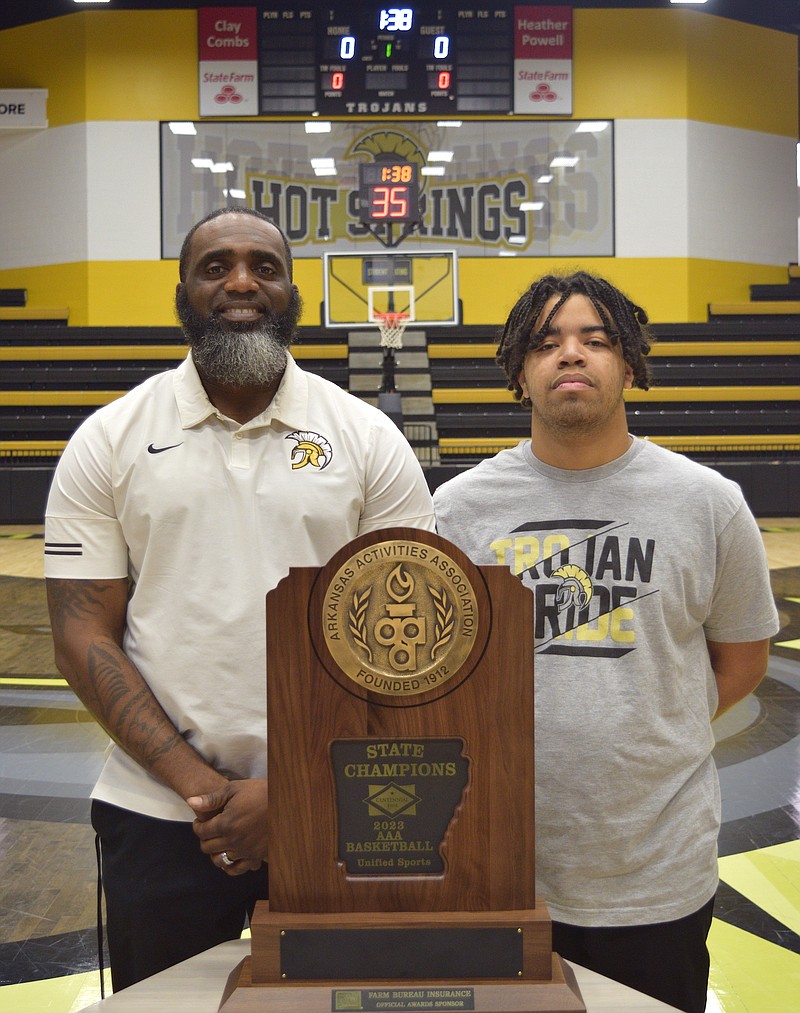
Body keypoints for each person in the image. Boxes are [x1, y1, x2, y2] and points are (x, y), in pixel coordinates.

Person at [44, 207, 435, 990]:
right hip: (161, 817)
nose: (241, 282)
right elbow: (83, 633)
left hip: (342, 803)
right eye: (215, 266)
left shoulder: (367, 438)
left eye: (264, 264)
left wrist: (292, 791)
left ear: (294, 292)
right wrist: (205, 788)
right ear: (183, 292)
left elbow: (414, 639)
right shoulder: (109, 438)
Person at [432, 271, 778, 1013]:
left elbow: (743, 660)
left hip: (654, 866)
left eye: (596, 339)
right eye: (547, 342)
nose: (572, 354)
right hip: (501, 867)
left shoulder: (708, 503)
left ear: (629, 365)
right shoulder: (457, 511)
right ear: (519, 373)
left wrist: (647, 721)